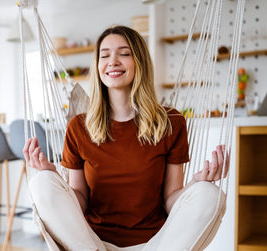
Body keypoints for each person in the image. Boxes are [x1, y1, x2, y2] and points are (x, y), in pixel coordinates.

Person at [23, 25, 229, 251]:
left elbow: (171, 200)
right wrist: (53, 179)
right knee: (40, 182)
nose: (112, 61)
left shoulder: (171, 122)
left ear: (139, 62)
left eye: (124, 54)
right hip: (92, 244)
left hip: (156, 245)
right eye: (105, 55)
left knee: (210, 193)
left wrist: (196, 183)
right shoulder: (79, 128)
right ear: (98, 65)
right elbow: (80, 200)